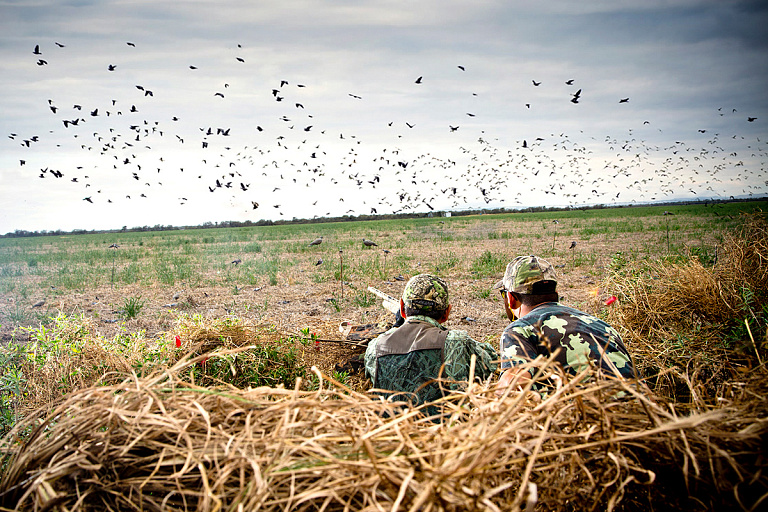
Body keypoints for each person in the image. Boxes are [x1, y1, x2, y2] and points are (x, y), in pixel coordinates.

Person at [495, 255, 635, 393]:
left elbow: (512, 387)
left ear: (511, 299)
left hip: (590, 413)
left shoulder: (520, 329)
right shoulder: (602, 325)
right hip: (644, 409)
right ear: (555, 292)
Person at [365, 274, 497, 412]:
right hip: (445, 431)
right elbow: (492, 361)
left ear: (402, 309)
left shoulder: (376, 346)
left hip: (389, 431)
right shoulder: (456, 342)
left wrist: (396, 328)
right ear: (446, 313)